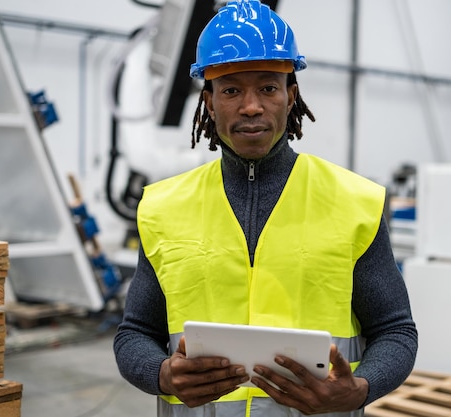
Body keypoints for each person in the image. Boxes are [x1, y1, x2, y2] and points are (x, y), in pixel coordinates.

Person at [113, 1, 418, 416]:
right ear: (209, 101)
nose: (251, 106)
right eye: (232, 89)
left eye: (268, 88)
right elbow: (134, 333)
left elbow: (395, 330)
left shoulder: (354, 202)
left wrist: (361, 388)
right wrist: (161, 373)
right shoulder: (163, 207)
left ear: (291, 96)